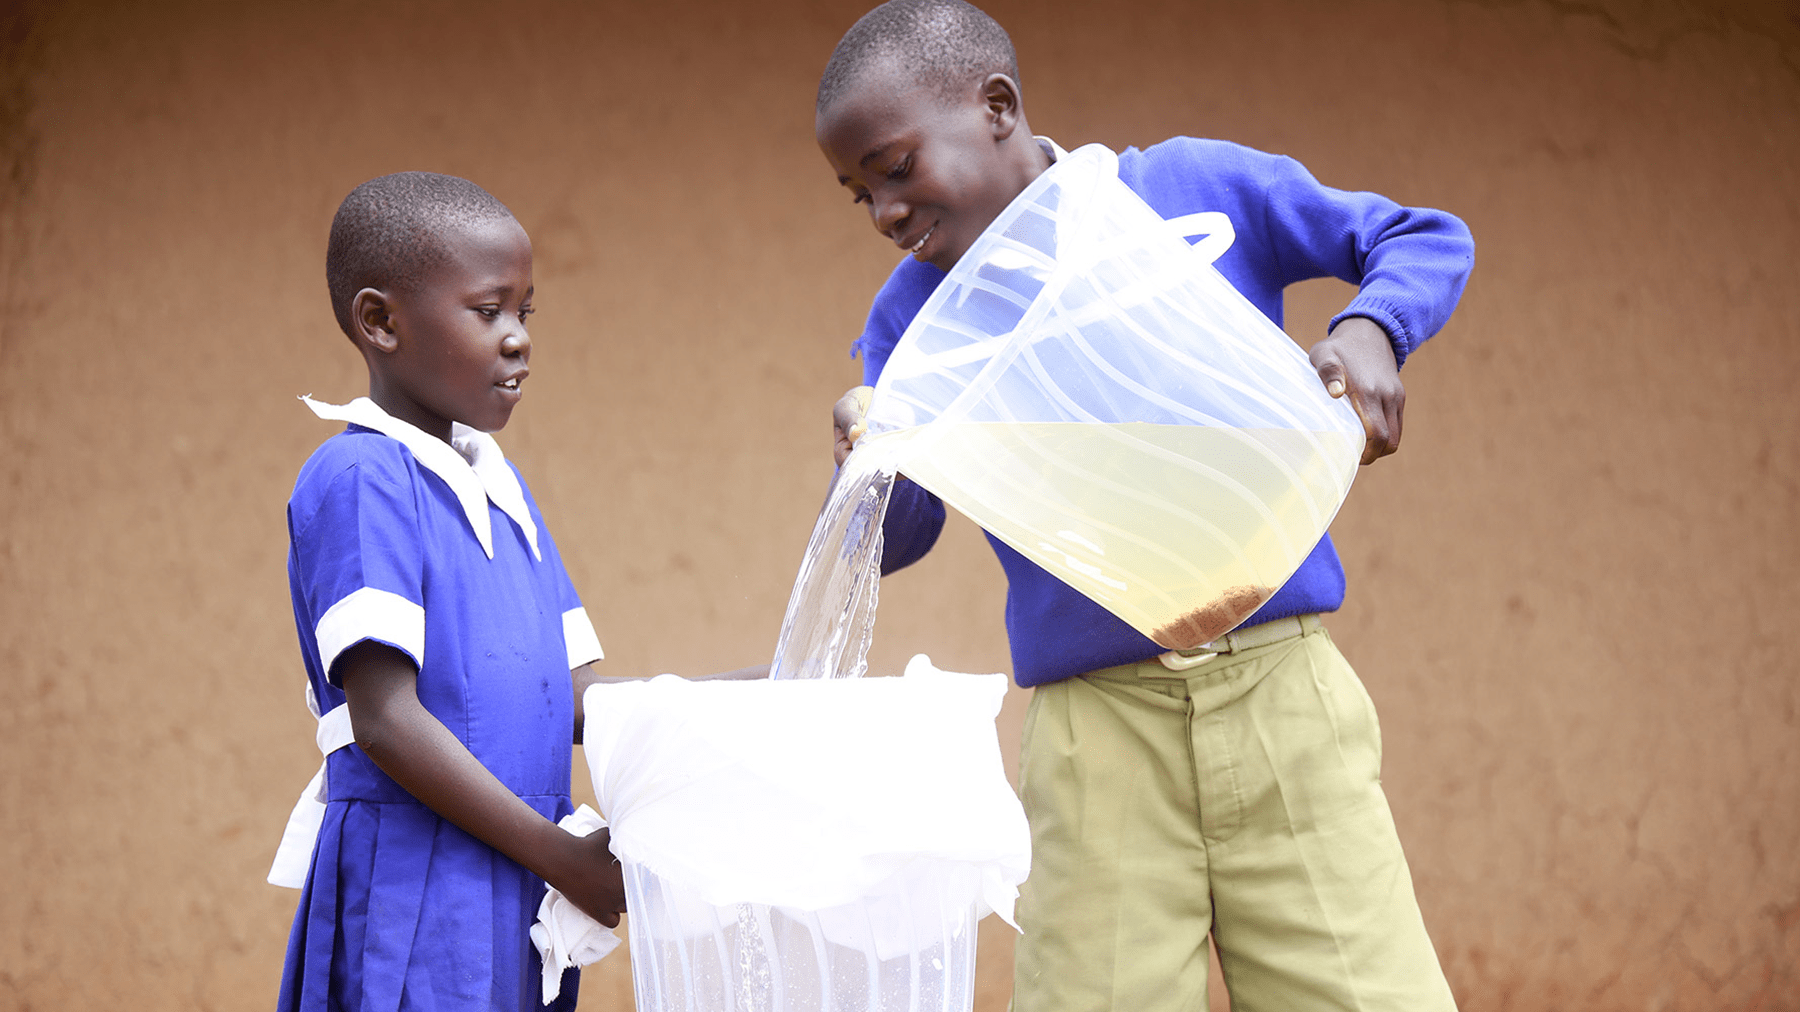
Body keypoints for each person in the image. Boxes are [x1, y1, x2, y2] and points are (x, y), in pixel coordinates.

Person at [815, 3, 1474, 1010]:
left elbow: (1419, 237)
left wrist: (1373, 329)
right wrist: (869, 469)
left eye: (897, 168)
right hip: (1098, 742)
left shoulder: (1190, 191)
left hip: (1285, 700)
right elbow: (902, 537)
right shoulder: (913, 319)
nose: (885, 214)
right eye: (861, 194)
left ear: (998, 107)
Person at [276, 172, 624, 1011]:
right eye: (488, 310)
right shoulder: (361, 476)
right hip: (418, 894)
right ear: (380, 321)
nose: (518, 339)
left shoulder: (501, 489)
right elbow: (385, 720)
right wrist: (563, 858)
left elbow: (573, 700)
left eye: (525, 312)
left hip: (517, 889)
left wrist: (755, 694)